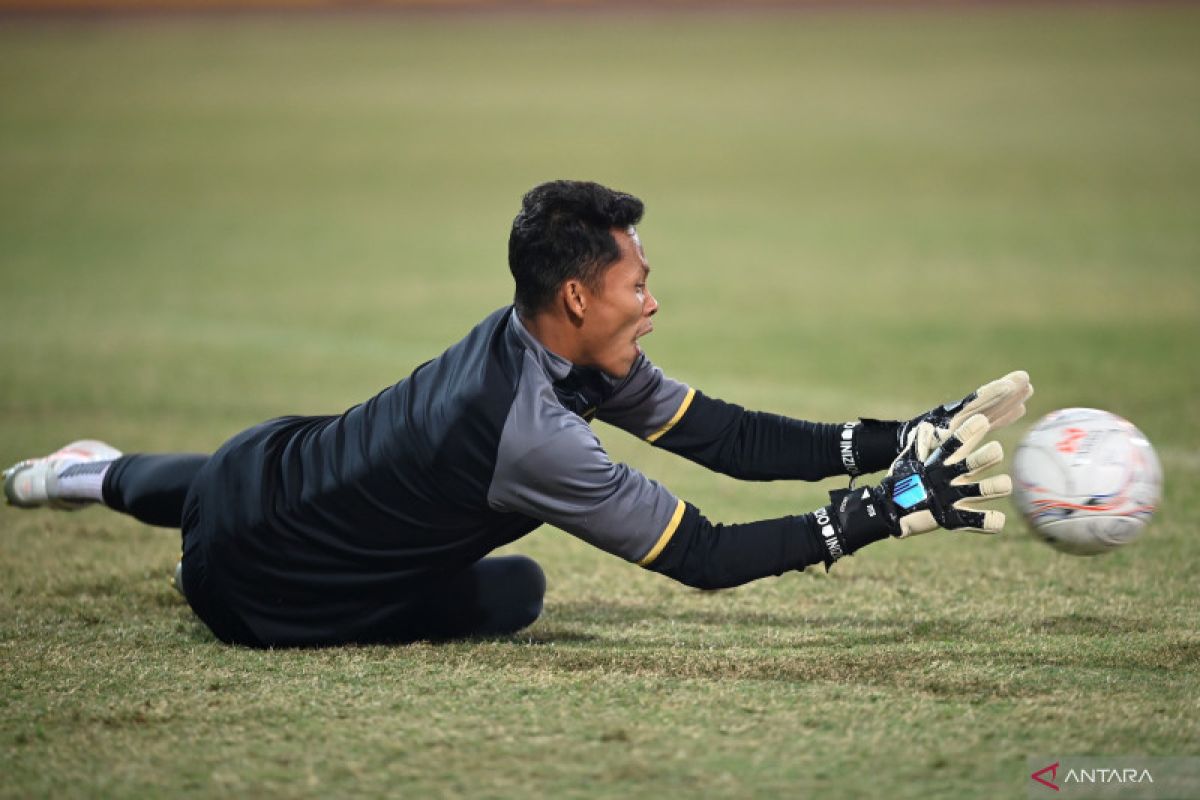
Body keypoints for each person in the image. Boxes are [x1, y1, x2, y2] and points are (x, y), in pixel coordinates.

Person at [3, 180, 1032, 649]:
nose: (653, 300)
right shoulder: (534, 434)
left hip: (256, 470)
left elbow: (725, 434)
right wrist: (883, 510)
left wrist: (902, 439)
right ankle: (185, 554)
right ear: (580, 297)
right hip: (268, 602)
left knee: (264, 467)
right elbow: (705, 556)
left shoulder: (541, 340)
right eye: (640, 282)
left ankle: (89, 473)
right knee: (519, 590)